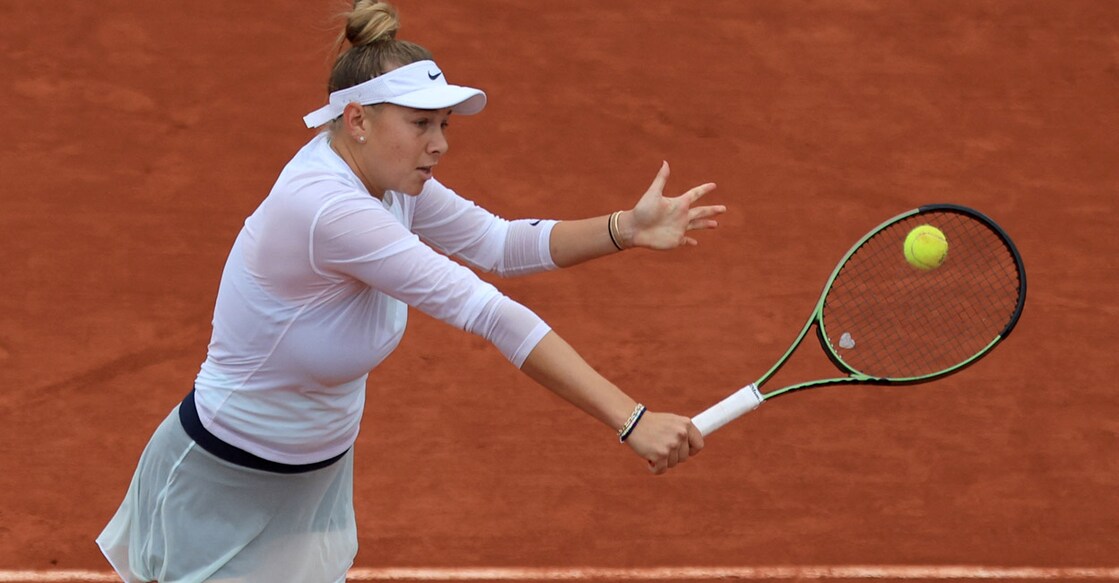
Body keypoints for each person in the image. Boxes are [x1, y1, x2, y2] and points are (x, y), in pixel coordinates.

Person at [96, 2, 726, 581]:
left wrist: (626, 228)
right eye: (422, 124)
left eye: (444, 124)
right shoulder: (328, 207)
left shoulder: (389, 180)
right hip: (224, 476)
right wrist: (631, 419)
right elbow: (489, 312)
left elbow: (502, 245)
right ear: (357, 120)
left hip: (314, 478)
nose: (440, 144)